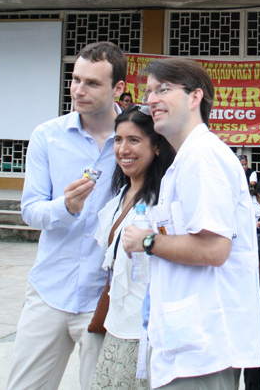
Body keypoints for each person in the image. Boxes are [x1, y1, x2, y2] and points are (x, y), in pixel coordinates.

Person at [121, 57, 260, 389]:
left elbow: (214, 248)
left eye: (163, 89)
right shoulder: (185, 159)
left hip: (204, 348)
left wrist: (146, 241)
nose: (151, 99)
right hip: (190, 342)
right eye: (149, 92)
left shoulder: (202, 157)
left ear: (195, 97)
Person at [7, 42, 127, 390]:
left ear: (118, 88)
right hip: (49, 290)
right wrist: (66, 207)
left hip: (103, 297)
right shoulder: (48, 136)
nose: (78, 90)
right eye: (75, 80)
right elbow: (30, 210)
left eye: (92, 83)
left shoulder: (134, 140)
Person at [91, 105, 175, 390]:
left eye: (134, 140)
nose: (123, 149)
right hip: (114, 328)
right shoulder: (121, 196)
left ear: (157, 147)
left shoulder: (162, 205)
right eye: (118, 139)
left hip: (143, 336)